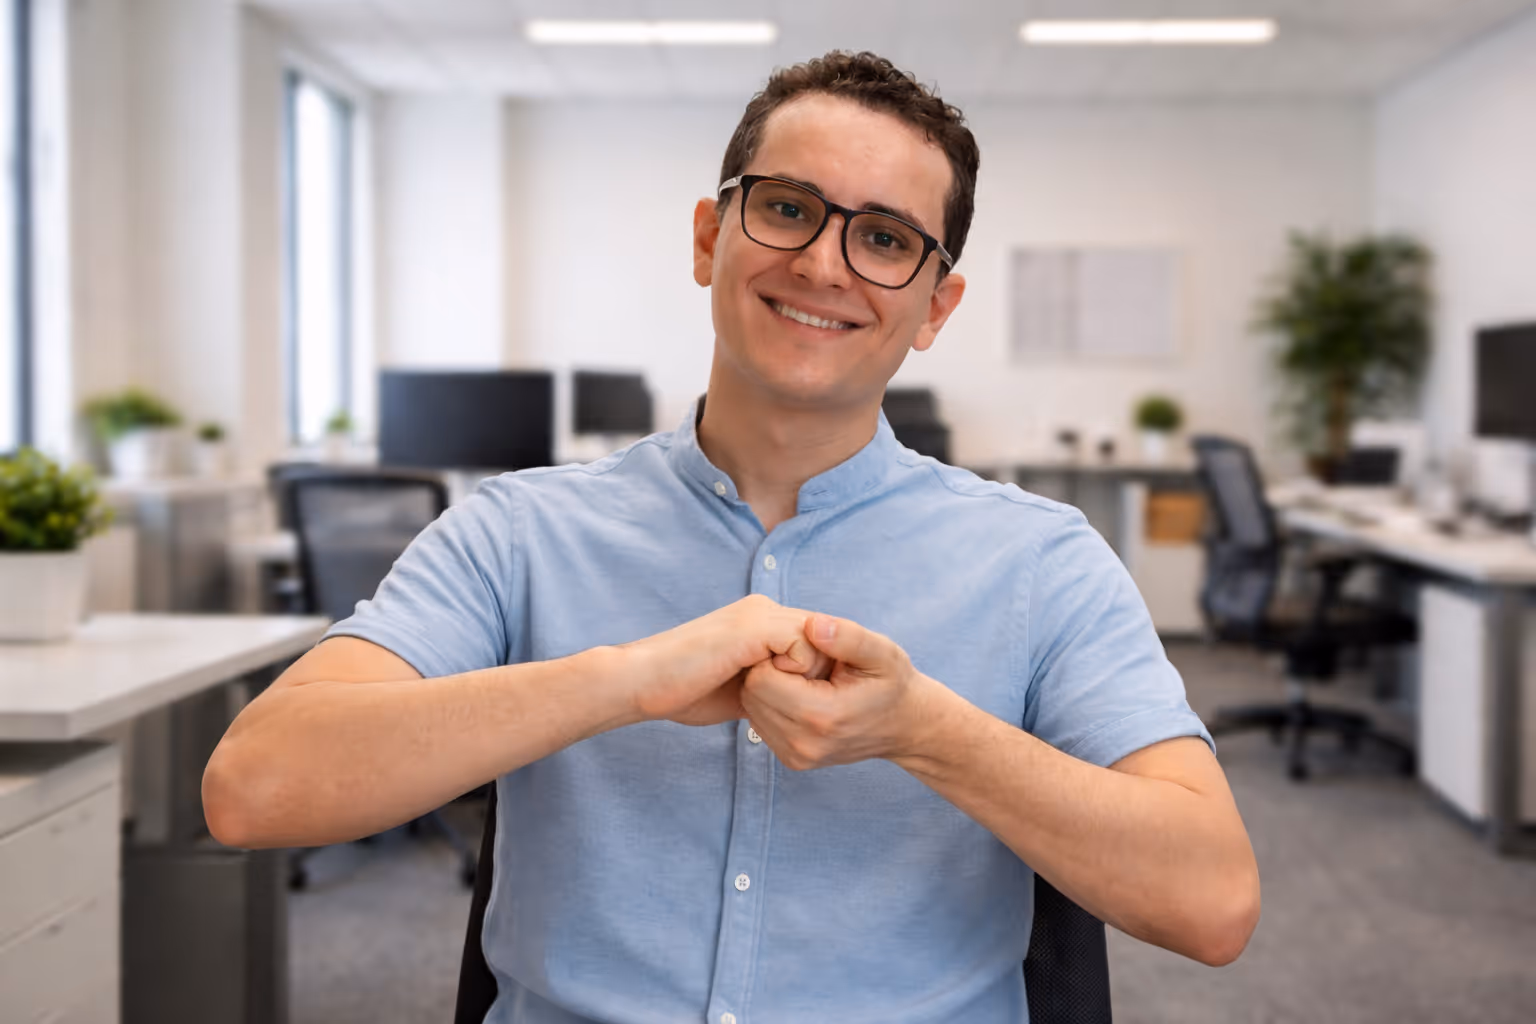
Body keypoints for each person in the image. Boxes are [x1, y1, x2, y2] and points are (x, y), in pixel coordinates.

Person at [204, 51, 1259, 1024]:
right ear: (711, 237)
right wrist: (623, 680)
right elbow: (254, 788)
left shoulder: (1043, 563)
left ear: (936, 306)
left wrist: (927, 731)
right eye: (790, 208)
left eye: (885, 238)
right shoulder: (516, 532)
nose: (826, 264)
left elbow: (1214, 901)